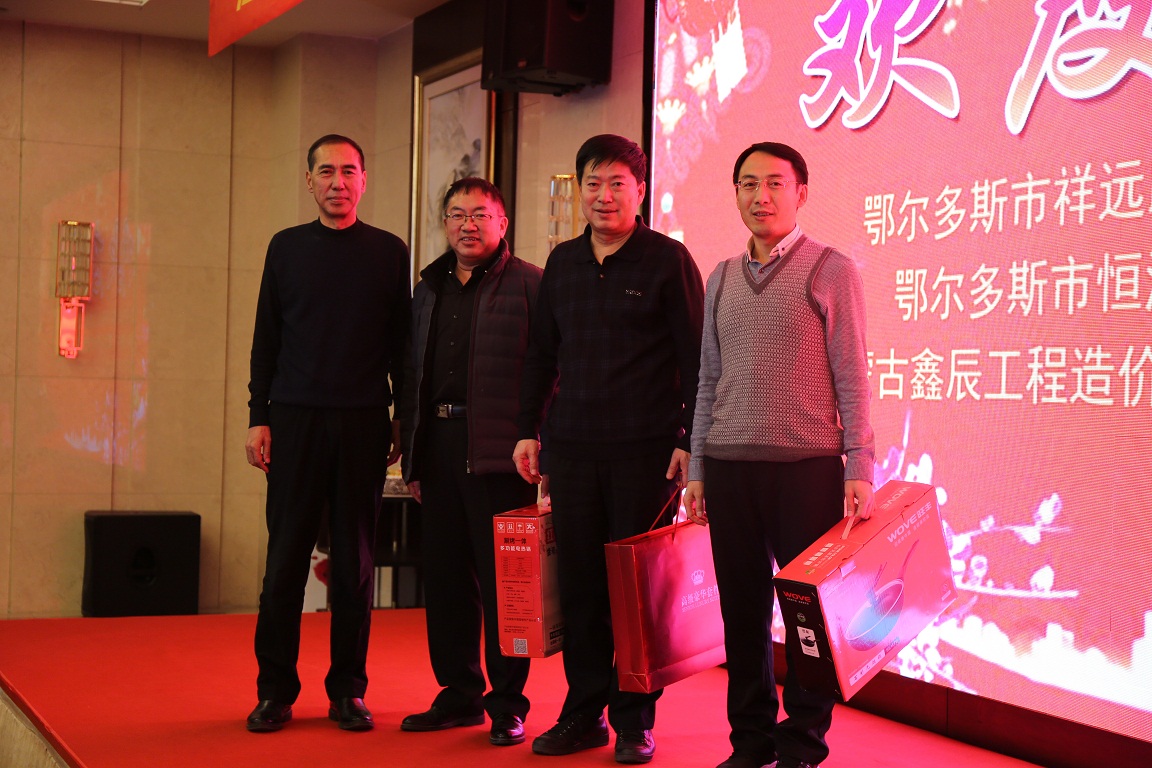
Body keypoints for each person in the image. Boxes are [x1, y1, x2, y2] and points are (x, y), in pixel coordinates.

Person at [682, 142, 876, 768]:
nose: (760, 196)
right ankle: (751, 742)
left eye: (774, 183)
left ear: (801, 193)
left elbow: (852, 374)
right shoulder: (720, 277)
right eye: (748, 184)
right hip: (730, 467)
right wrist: (698, 466)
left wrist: (859, 462)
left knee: (807, 619)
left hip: (806, 470)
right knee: (741, 616)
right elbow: (708, 379)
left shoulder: (831, 269)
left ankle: (803, 744)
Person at [513, 134, 705, 765]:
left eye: (617, 183)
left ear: (640, 191)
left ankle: (635, 720)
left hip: (646, 454)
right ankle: (584, 712)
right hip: (571, 451)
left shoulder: (668, 260)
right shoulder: (563, 263)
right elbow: (542, 356)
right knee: (582, 589)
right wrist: (529, 429)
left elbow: (697, 361)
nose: (603, 196)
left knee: (635, 592)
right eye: (592, 183)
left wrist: (688, 441)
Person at [244, 134, 411, 734]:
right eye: (326, 172)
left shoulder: (389, 251)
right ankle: (274, 691)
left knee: (355, 564)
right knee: (285, 560)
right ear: (309, 180)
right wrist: (258, 415)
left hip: (364, 420)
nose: (338, 182)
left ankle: (348, 691)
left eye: (349, 171)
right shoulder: (285, 247)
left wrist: (402, 418)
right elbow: (266, 338)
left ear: (364, 180)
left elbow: (402, 347)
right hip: (294, 419)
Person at [397, 177, 543, 747]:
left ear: (502, 223)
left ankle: (507, 703)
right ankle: (459, 694)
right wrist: (412, 456)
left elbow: (548, 370)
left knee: (507, 585)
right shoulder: (428, 288)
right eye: (457, 214)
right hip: (437, 445)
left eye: (480, 214)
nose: (468, 225)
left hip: (501, 454)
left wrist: (538, 439)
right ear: (445, 224)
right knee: (447, 580)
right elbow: (412, 372)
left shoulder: (530, 284)